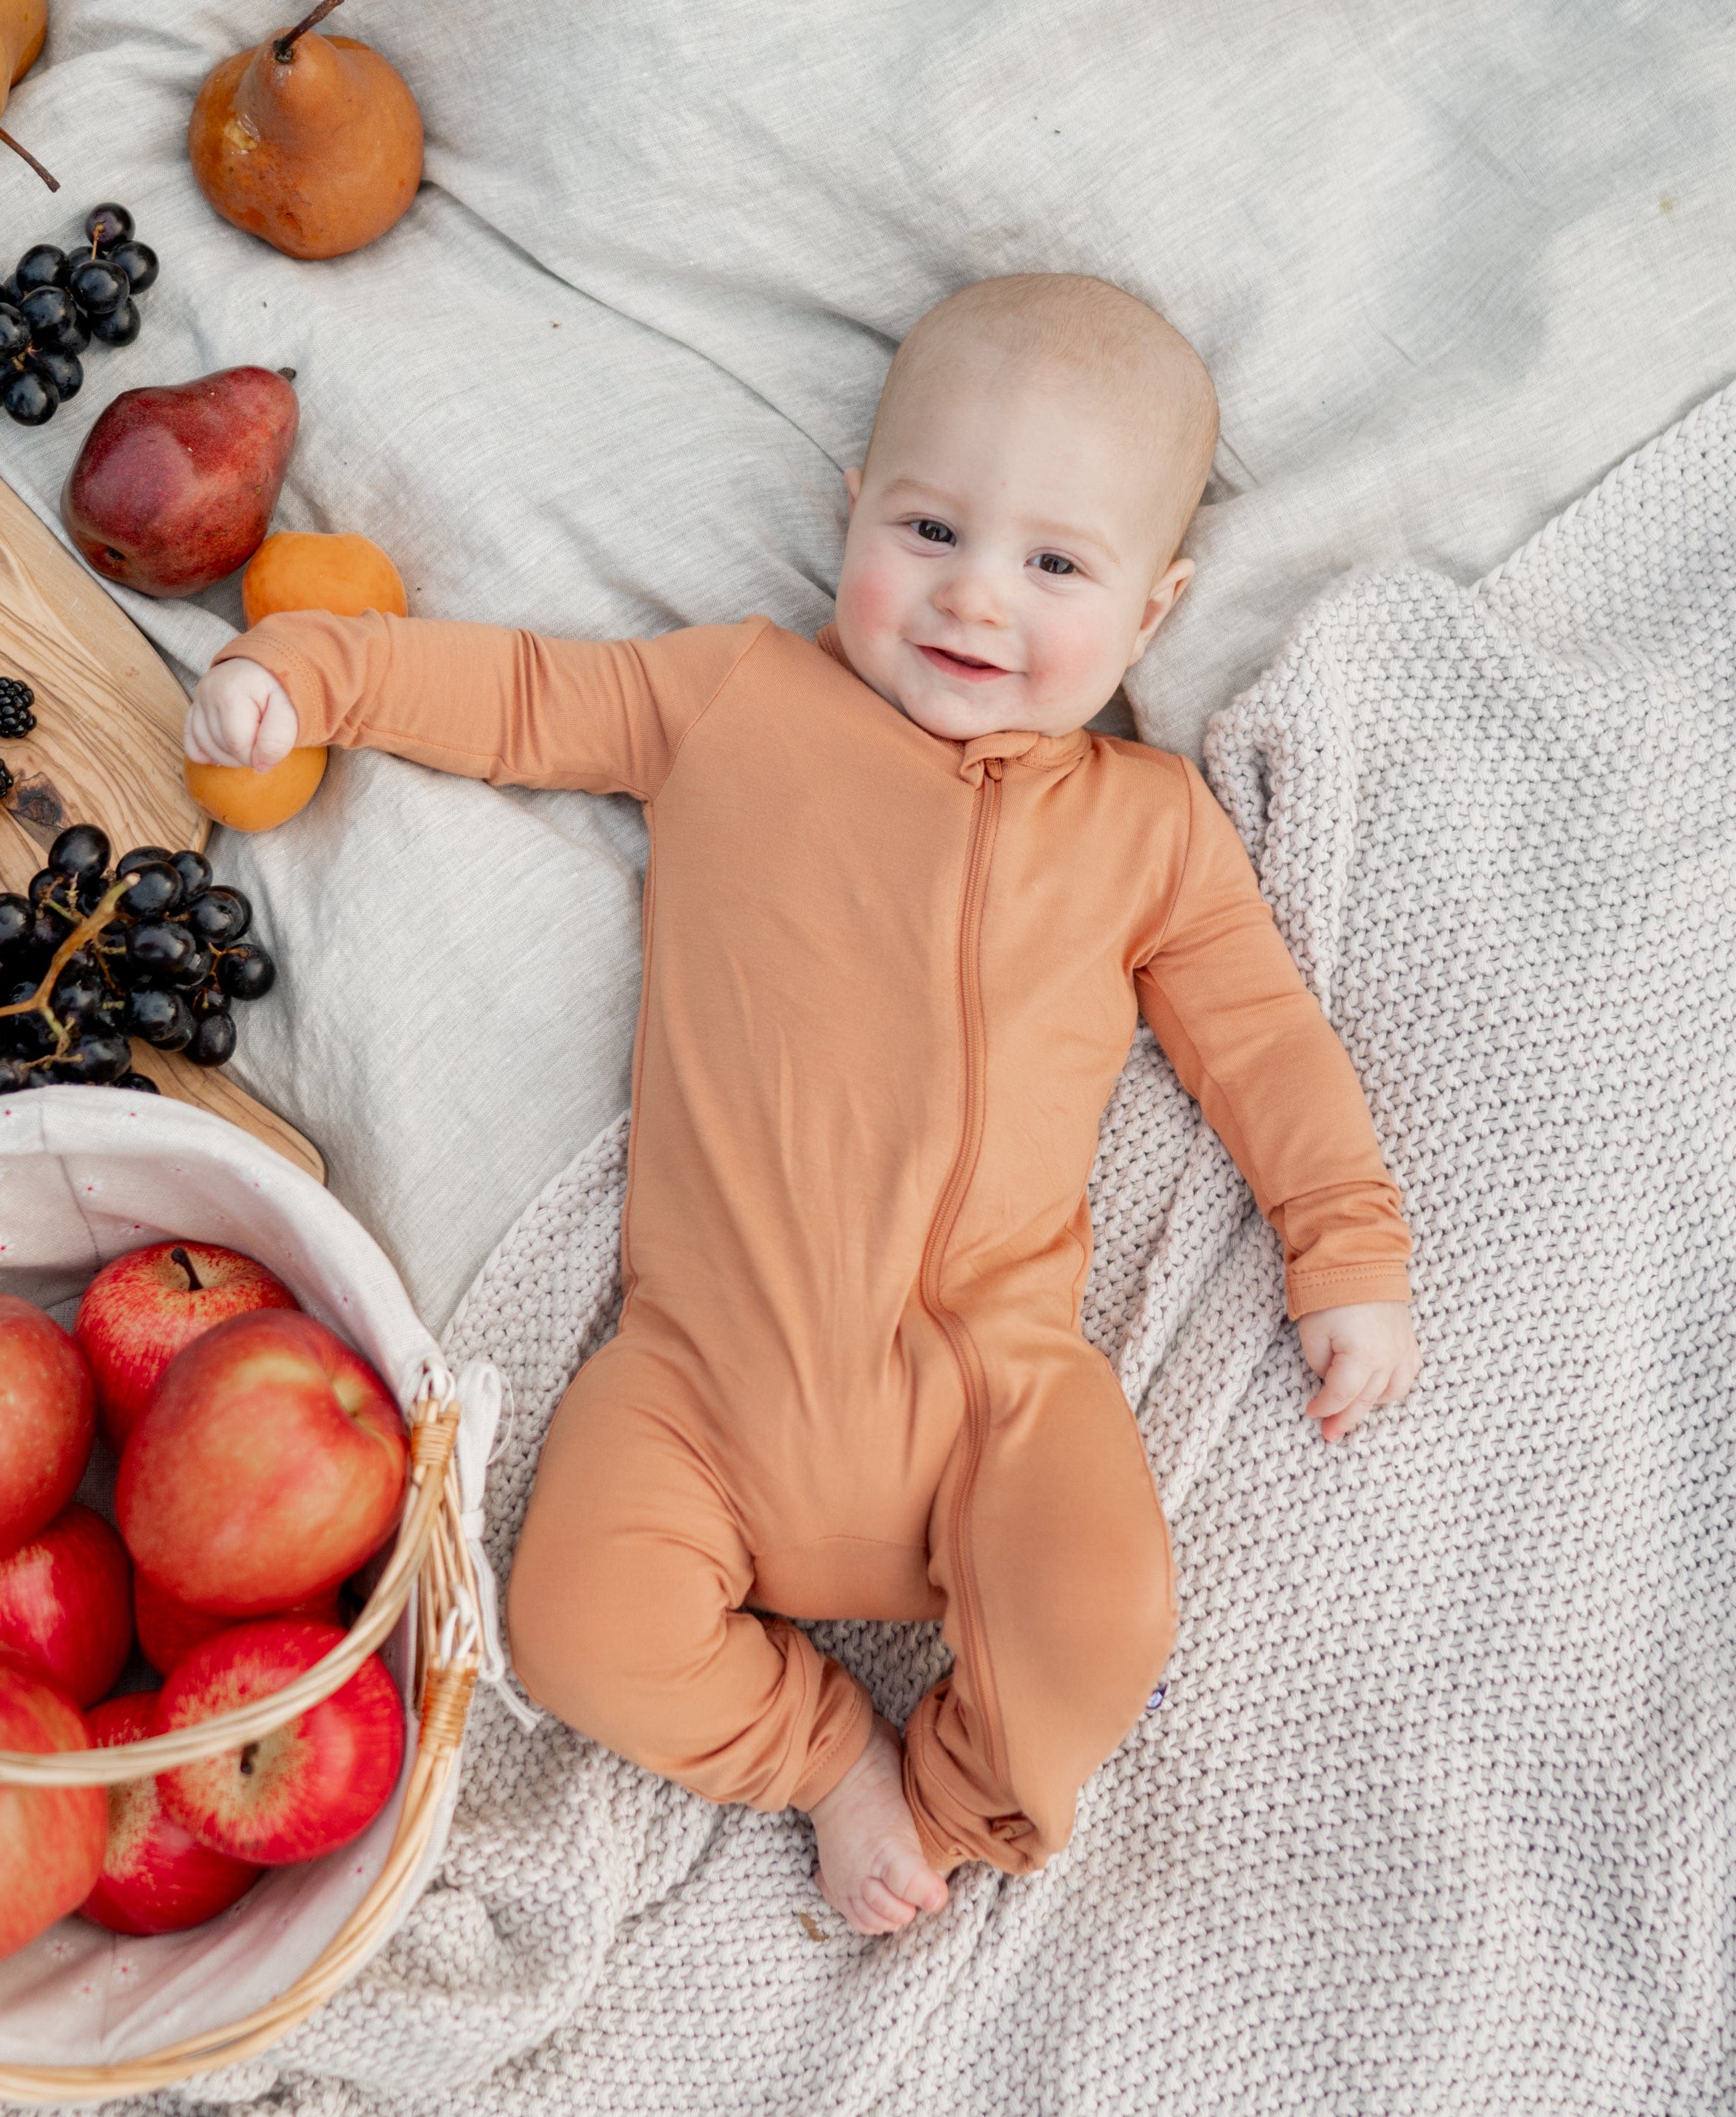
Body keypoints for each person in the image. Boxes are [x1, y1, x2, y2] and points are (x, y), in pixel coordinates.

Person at [183, 274, 1422, 1937]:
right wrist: (313, 675)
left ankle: (968, 1797)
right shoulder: (737, 703)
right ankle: (831, 1759)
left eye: (1056, 565)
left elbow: (1264, 1045)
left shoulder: (1154, 831)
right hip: (699, 1385)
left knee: (1109, 1603)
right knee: (572, 1625)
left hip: (998, 1401)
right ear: (854, 513)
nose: (978, 598)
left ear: (1154, 609)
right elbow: (529, 698)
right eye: (930, 529)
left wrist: (1346, 1248)